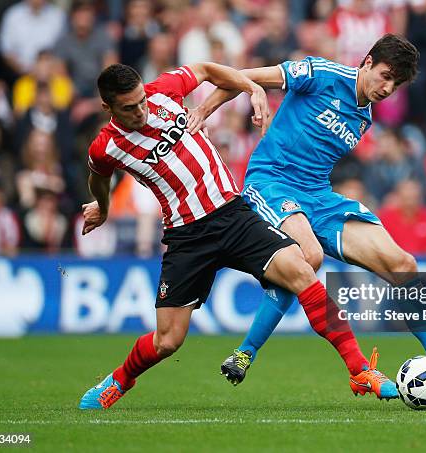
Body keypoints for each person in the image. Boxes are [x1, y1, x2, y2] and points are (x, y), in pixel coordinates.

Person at [191, 33, 426, 406]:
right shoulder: (321, 73)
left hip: (318, 195)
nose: (387, 88)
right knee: (307, 256)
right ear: (368, 62)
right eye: (385, 76)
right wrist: (204, 110)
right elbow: (243, 76)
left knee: (403, 265)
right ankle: (246, 353)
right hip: (272, 182)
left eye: (396, 83)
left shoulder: (364, 116)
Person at [79, 62, 393, 410]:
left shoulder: (164, 90)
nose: (141, 111)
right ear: (108, 107)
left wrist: (251, 87)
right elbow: (99, 177)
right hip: (187, 237)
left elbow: (207, 69)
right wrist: (103, 208)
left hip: (233, 215)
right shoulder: (105, 146)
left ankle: (359, 368)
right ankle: (119, 381)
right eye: (129, 108)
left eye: (141, 101)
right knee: (168, 341)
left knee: (303, 270)